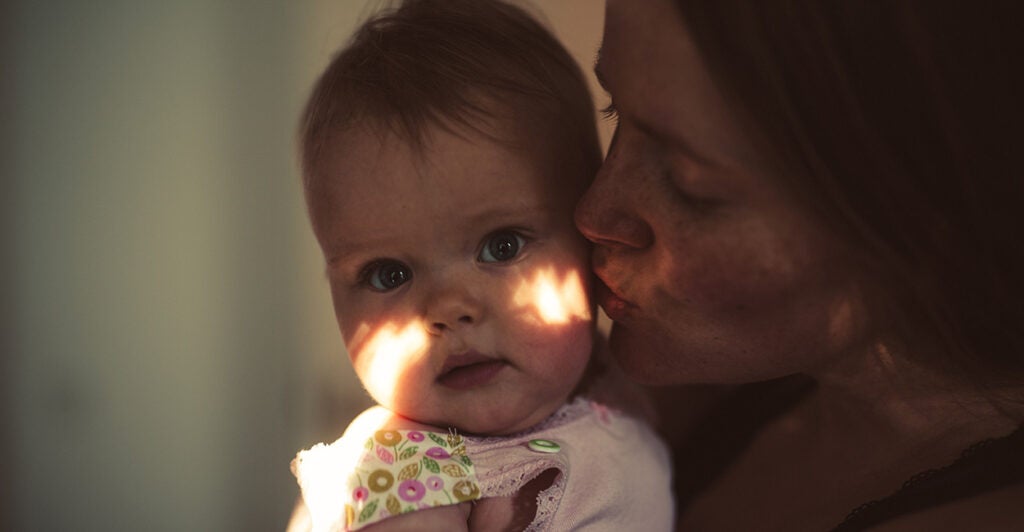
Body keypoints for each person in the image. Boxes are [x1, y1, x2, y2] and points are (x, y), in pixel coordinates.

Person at [575, 0, 1024, 530]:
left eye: (687, 184)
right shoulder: (697, 388)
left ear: (928, 215)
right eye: (614, 109)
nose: (592, 214)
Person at [288, 1, 673, 531]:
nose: (449, 310)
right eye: (389, 274)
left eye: (502, 246)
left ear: (588, 232)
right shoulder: (403, 473)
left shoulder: (607, 383)